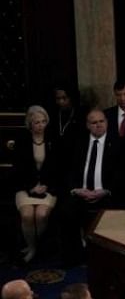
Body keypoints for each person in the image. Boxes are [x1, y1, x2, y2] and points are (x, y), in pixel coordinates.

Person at [62, 109, 125, 259]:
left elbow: (121, 175)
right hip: (80, 193)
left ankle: (108, 256)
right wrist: (75, 190)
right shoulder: (79, 143)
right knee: (65, 211)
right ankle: (75, 256)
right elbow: (70, 170)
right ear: (87, 125)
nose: (98, 125)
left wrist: (106, 190)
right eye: (94, 122)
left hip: (107, 194)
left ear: (107, 123)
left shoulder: (118, 143)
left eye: (101, 121)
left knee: (117, 209)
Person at [14, 106, 59, 264]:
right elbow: (17, 170)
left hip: (48, 187)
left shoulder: (53, 139)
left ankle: (39, 247)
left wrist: (47, 186)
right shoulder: (22, 141)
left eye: (43, 122)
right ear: (30, 124)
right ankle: (32, 248)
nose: (41, 125)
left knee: (41, 214)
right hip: (26, 187)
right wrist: (31, 187)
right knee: (27, 215)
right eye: (36, 123)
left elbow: (58, 168)